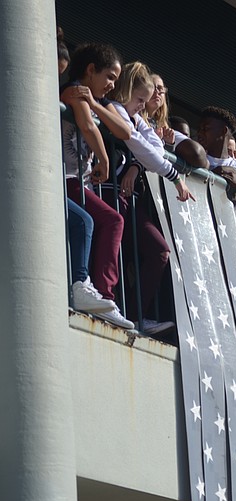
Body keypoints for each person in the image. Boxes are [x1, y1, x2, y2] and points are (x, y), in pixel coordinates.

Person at [105, 61, 194, 334]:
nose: (143, 105)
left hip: (128, 198)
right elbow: (139, 144)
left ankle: (134, 315)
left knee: (159, 249)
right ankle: (107, 303)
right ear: (128, 91)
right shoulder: (115, 109)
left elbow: (152, 145)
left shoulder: (136, 116)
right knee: (113, 243)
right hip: (109, 190)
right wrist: (174, 175)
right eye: (140, 99)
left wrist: (139, 164)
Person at [60, 43, 136, 329]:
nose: (112, 85)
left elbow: (125, 131)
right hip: (66, 180)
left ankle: (100, 294)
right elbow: (88, 127)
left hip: (79, 184)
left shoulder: (92, 100)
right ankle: (90, 289)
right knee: (107, 220)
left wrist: (95, 104)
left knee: (110, 221)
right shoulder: (72, 91)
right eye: (110, 77)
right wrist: (103, 159)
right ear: (90, 70)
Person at [142, 74, 207, 169]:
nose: (156, 92)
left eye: (160, 88)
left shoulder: (163, 127)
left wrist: (169, 145)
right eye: (152, 87)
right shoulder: (135, 118)